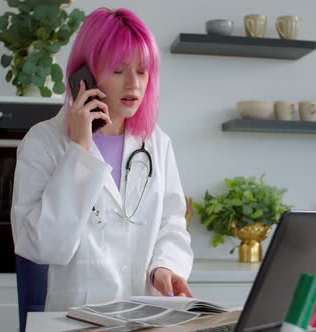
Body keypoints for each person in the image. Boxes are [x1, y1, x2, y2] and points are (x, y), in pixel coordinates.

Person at [10, 7, 194, 311]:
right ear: (87, 74)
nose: (133, 83)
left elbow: (172, 223)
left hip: (144, 316)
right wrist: (79, 150)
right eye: (119, 70)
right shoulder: (43, 142)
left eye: (142, 70)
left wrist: (164, 267)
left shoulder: (156, 143)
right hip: (75, 319)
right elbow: (41, 247)